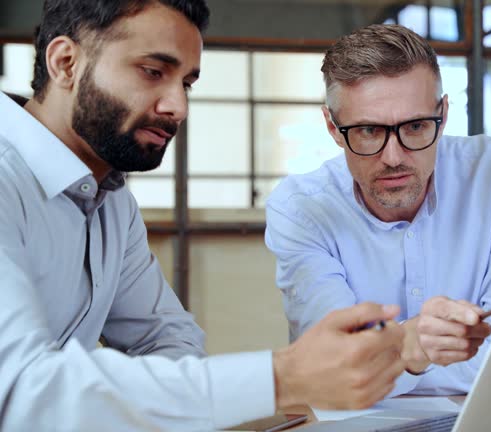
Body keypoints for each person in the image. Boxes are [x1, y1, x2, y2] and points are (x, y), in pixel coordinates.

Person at [0, 1, 405, 430]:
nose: (178, 107)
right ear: (66, 63)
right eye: (153, 72)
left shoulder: (111, 200)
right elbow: (20, 392)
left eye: (187, 83)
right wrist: (281, 377)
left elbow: (168, 339)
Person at [265, 24, 491, 396]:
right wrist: (409, 347)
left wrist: (388, 353)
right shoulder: (300, 208)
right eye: (368, 131)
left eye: (415, 126)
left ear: (443, 114)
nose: (393, 158)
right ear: (333, 128)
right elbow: (337, 365)